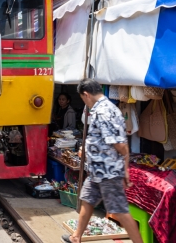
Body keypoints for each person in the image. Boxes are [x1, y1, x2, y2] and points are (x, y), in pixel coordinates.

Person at [61, 79, 143, 243]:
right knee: (87, 200)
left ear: (86, 95)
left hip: (108, 172)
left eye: (83, 99)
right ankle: (76, 237)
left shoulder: (103, 112)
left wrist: (124, 170)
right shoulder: (109, 108)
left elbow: (120, 144)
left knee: (119, 211)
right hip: (97, 171)